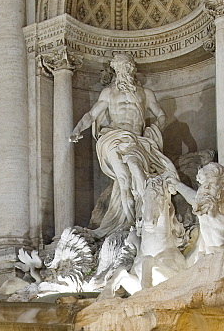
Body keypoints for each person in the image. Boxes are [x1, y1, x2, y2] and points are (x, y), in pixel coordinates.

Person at [70, 51, 178, 236]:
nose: (124, 71)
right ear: (115, 70)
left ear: (132, 69)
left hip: (137, 141)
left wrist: (154, 130)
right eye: (120, 68)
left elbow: (161, 115)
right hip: (113, 138)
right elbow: (91, 115)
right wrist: (78, 129)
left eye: (127, 67)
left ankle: (141, 219)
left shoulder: (145, 93)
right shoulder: (108, 93)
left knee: (137, 173)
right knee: (124, 180)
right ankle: (128, 227)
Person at [172, 162, 224, 257]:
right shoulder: (203, 199)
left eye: (212, 184)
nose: (206, 188)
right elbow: (190, 196)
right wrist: (176, 184)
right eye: (203, 184)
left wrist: (217, 215)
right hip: (206, 255)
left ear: (222, 187)